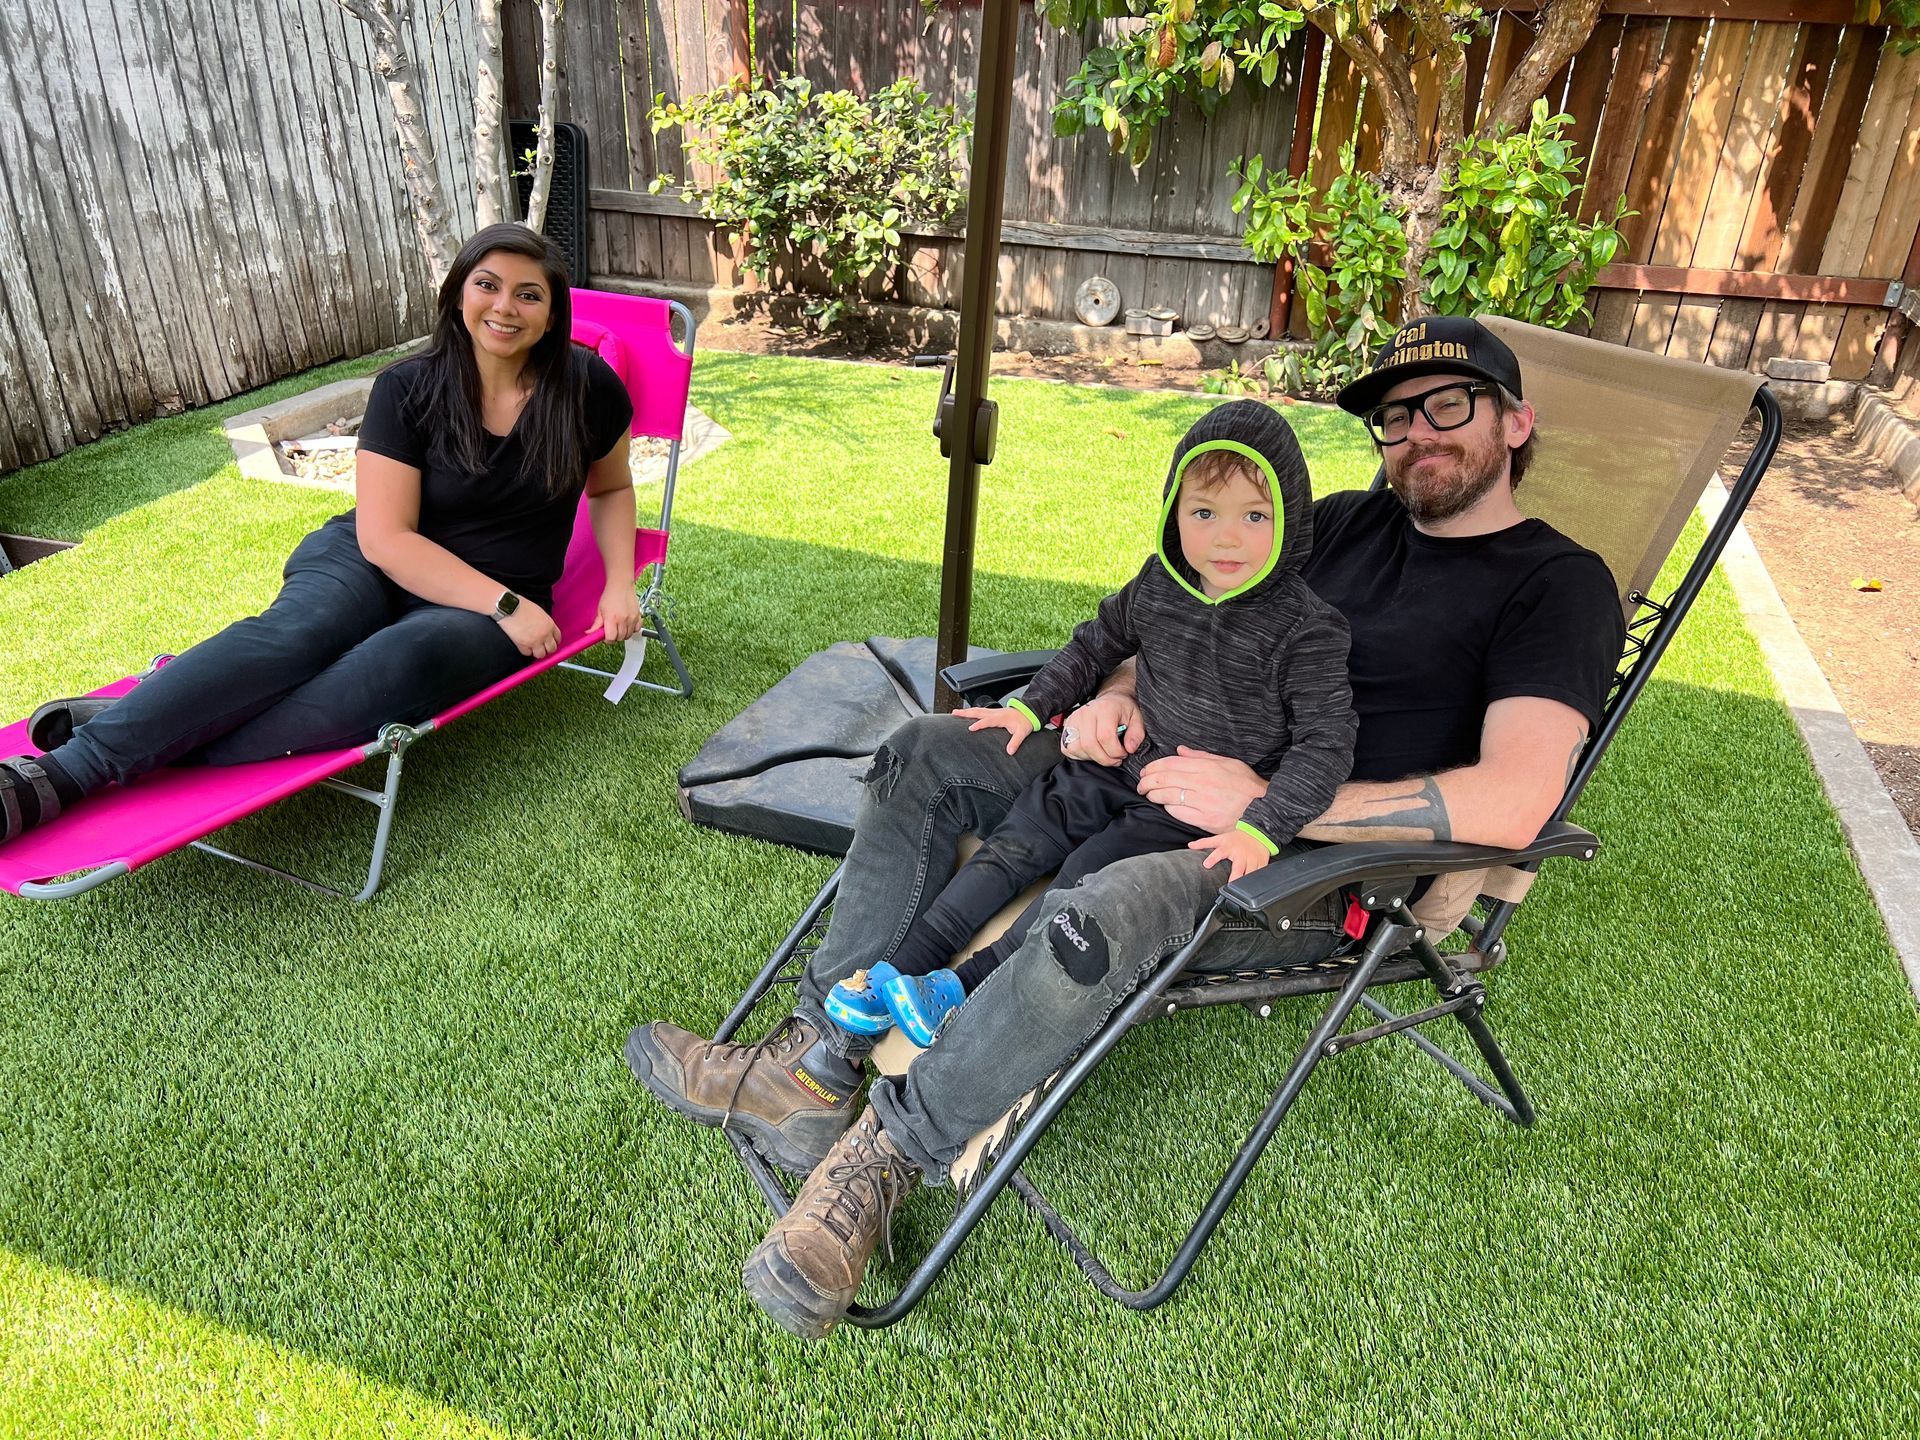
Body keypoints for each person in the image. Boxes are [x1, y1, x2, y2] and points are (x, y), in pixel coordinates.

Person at [625, 314, 1626, 1339]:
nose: (1417, 432)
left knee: (1099, 906)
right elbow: (1196, 611)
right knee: (922, 753)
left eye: (1448, 406)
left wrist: (1269, 804)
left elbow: (1517, 799)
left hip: (1312, 865)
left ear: (1516, 422)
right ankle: (814, 1059)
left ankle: (887, 1152)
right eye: (1395, 417)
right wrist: (1120, 692)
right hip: (1149, 766)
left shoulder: (1558, 584)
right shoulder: (1339, 526)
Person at [0, 225, 641, 845]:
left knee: (384, 674)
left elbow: (610, 489)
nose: (505, 307)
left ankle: (144, 717)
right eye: (487, 285)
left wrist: (618, 586)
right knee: (298, 638)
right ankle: (62, 774)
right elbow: (388, 539)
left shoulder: (587, 390)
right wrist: (509, 608)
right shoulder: (408, 388)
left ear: (553, 315)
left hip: (488, 597)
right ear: (458, 296)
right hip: (372, 559)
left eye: (529, 294)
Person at [823, 401, 1354, 1047]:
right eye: (1205, 513)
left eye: (1255, 516)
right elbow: (1092, 647)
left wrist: (1262, 830)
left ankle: (964, 988)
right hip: (1112, 764)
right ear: (1173, 514)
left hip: (1181, 805)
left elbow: (1327, 745)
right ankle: (905, 966)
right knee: (1021, 837)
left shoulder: (1307, 629)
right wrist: (1027, 705)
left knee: (1085, 873)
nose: (1227, 538)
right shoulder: (1159, 584)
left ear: (1291, 522)